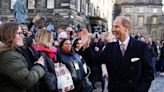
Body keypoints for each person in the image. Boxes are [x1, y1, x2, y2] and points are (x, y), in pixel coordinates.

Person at [98, 16, 154, 92]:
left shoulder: (141, 47)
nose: (113, 29)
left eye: (117, 26)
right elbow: (96, 61)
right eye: (113, 26)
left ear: (126, 28)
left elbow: (149, 73)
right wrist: (85, 47)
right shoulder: (109, 47)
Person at [0, 22, 45, 92]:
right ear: (8, 35)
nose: (22, 36)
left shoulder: (13, 50)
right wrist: (39, 66)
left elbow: (27, 40)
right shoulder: (8, 56)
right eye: (19, 33)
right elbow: (26, 81)